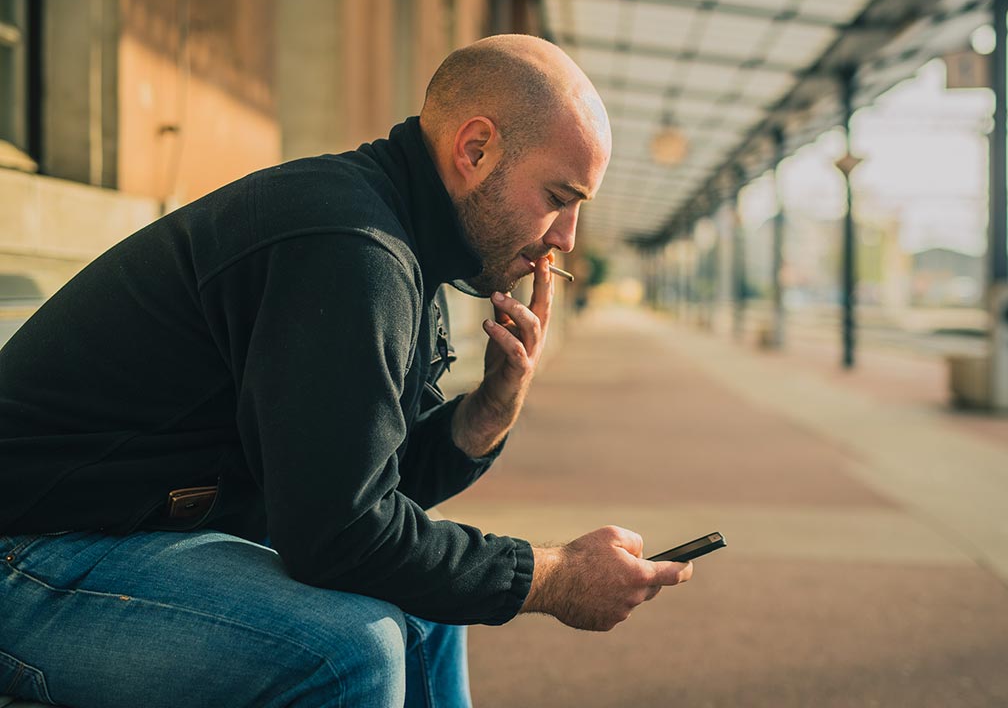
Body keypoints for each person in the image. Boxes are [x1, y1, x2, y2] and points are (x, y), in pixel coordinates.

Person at [0, 35, 692, 708]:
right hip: (32, 553)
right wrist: (556, 578)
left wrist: (490, 408)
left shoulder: (400, 239)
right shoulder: (352, 249)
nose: (565, 238)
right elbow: (340, 537)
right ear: (475, 149)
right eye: (559, 196)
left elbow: (370, 491)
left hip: (131, 537)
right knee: (349, 651)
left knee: (432, 608)